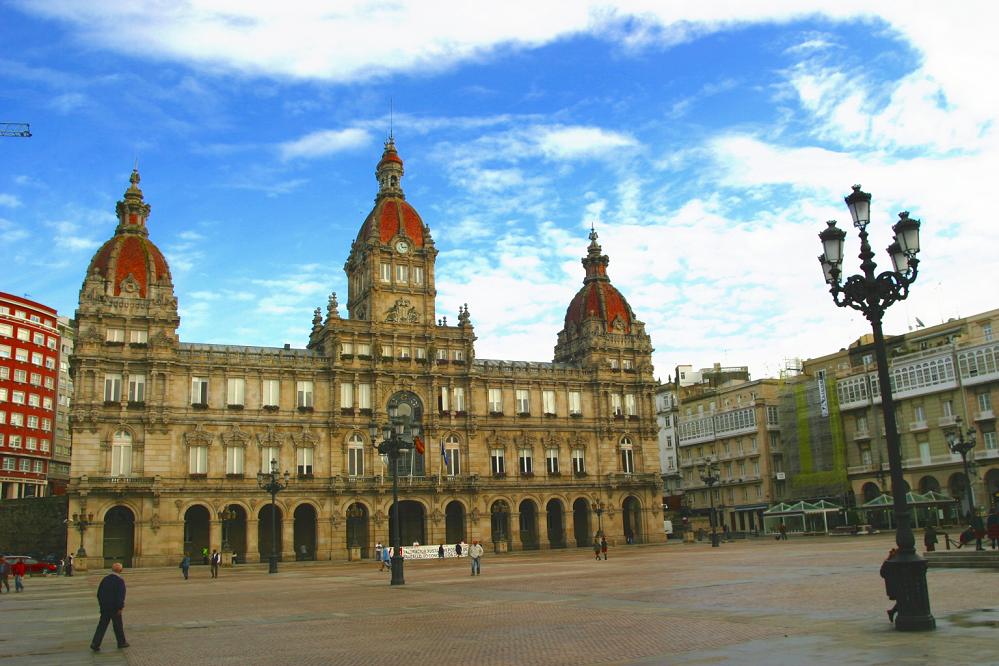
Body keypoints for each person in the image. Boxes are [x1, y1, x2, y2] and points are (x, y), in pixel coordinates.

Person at [91, 562, 128, 652]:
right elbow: (120, 596)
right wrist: (120, 607)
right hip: (115, 608)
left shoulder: (105, 579)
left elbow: (99, 594)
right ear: (120, 570)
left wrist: (102, 605)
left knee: (102, 625)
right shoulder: (120, 581)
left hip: (105, 607)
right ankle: (121, 642)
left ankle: (95, 643)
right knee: (118, 625)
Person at [879, 548, 899, 623]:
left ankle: (892, 612)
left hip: (891, 586)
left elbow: (882, 573)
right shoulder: (896, 562)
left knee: (901, 601)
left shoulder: (887, 562)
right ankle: (892, 612)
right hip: (898, 585)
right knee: (903, 600)